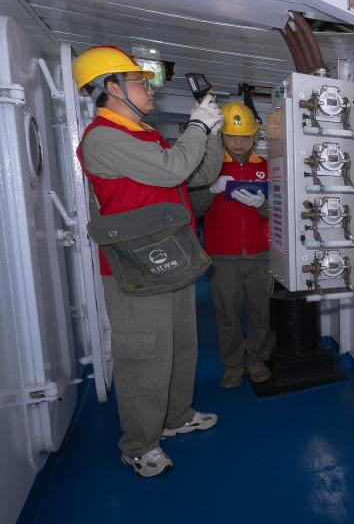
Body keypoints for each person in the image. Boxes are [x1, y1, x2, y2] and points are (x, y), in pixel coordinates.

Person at [74, 45, 223, 477]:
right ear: (111, 87)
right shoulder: (103, 137)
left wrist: (211, 132)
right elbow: (174, 169)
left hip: (170, 257)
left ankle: (175, 417)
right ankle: (139, 445)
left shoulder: (146, 135)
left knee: (181, 345)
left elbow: (198, 173)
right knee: (145, 356)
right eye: (139, 81)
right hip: (134, 268)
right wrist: (196, 125)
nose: (149, 88)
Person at [191, 102, 273, 388]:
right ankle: (233, 364)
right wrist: (210, 190)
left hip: (261, 253)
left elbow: (282, 211)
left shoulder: (266, 167)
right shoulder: (207, 168)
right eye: (232, 136)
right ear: (221, 135)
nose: (239, 143)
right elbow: (193, 209)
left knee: (261, 312)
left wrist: (263, 205)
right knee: (227, 314)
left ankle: (257, 360)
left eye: (245, 137)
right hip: (222, 255)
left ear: (254, 136)